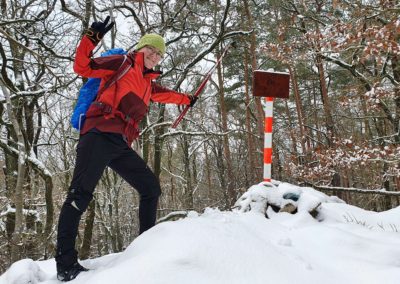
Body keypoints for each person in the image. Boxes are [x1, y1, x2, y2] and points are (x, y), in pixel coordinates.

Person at [56, 16, 196, 281]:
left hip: (119, 142)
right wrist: (91, 38)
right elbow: (82, 67)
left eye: (159, 53)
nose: (154, 55)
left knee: (150, 188)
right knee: (79, 195)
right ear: (140, 47)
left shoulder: (147, 82)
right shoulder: (122, 63)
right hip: (98, 134)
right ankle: (65, 265)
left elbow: (162, 94)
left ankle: (146, 250)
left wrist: (186, 99)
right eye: (150, 49)